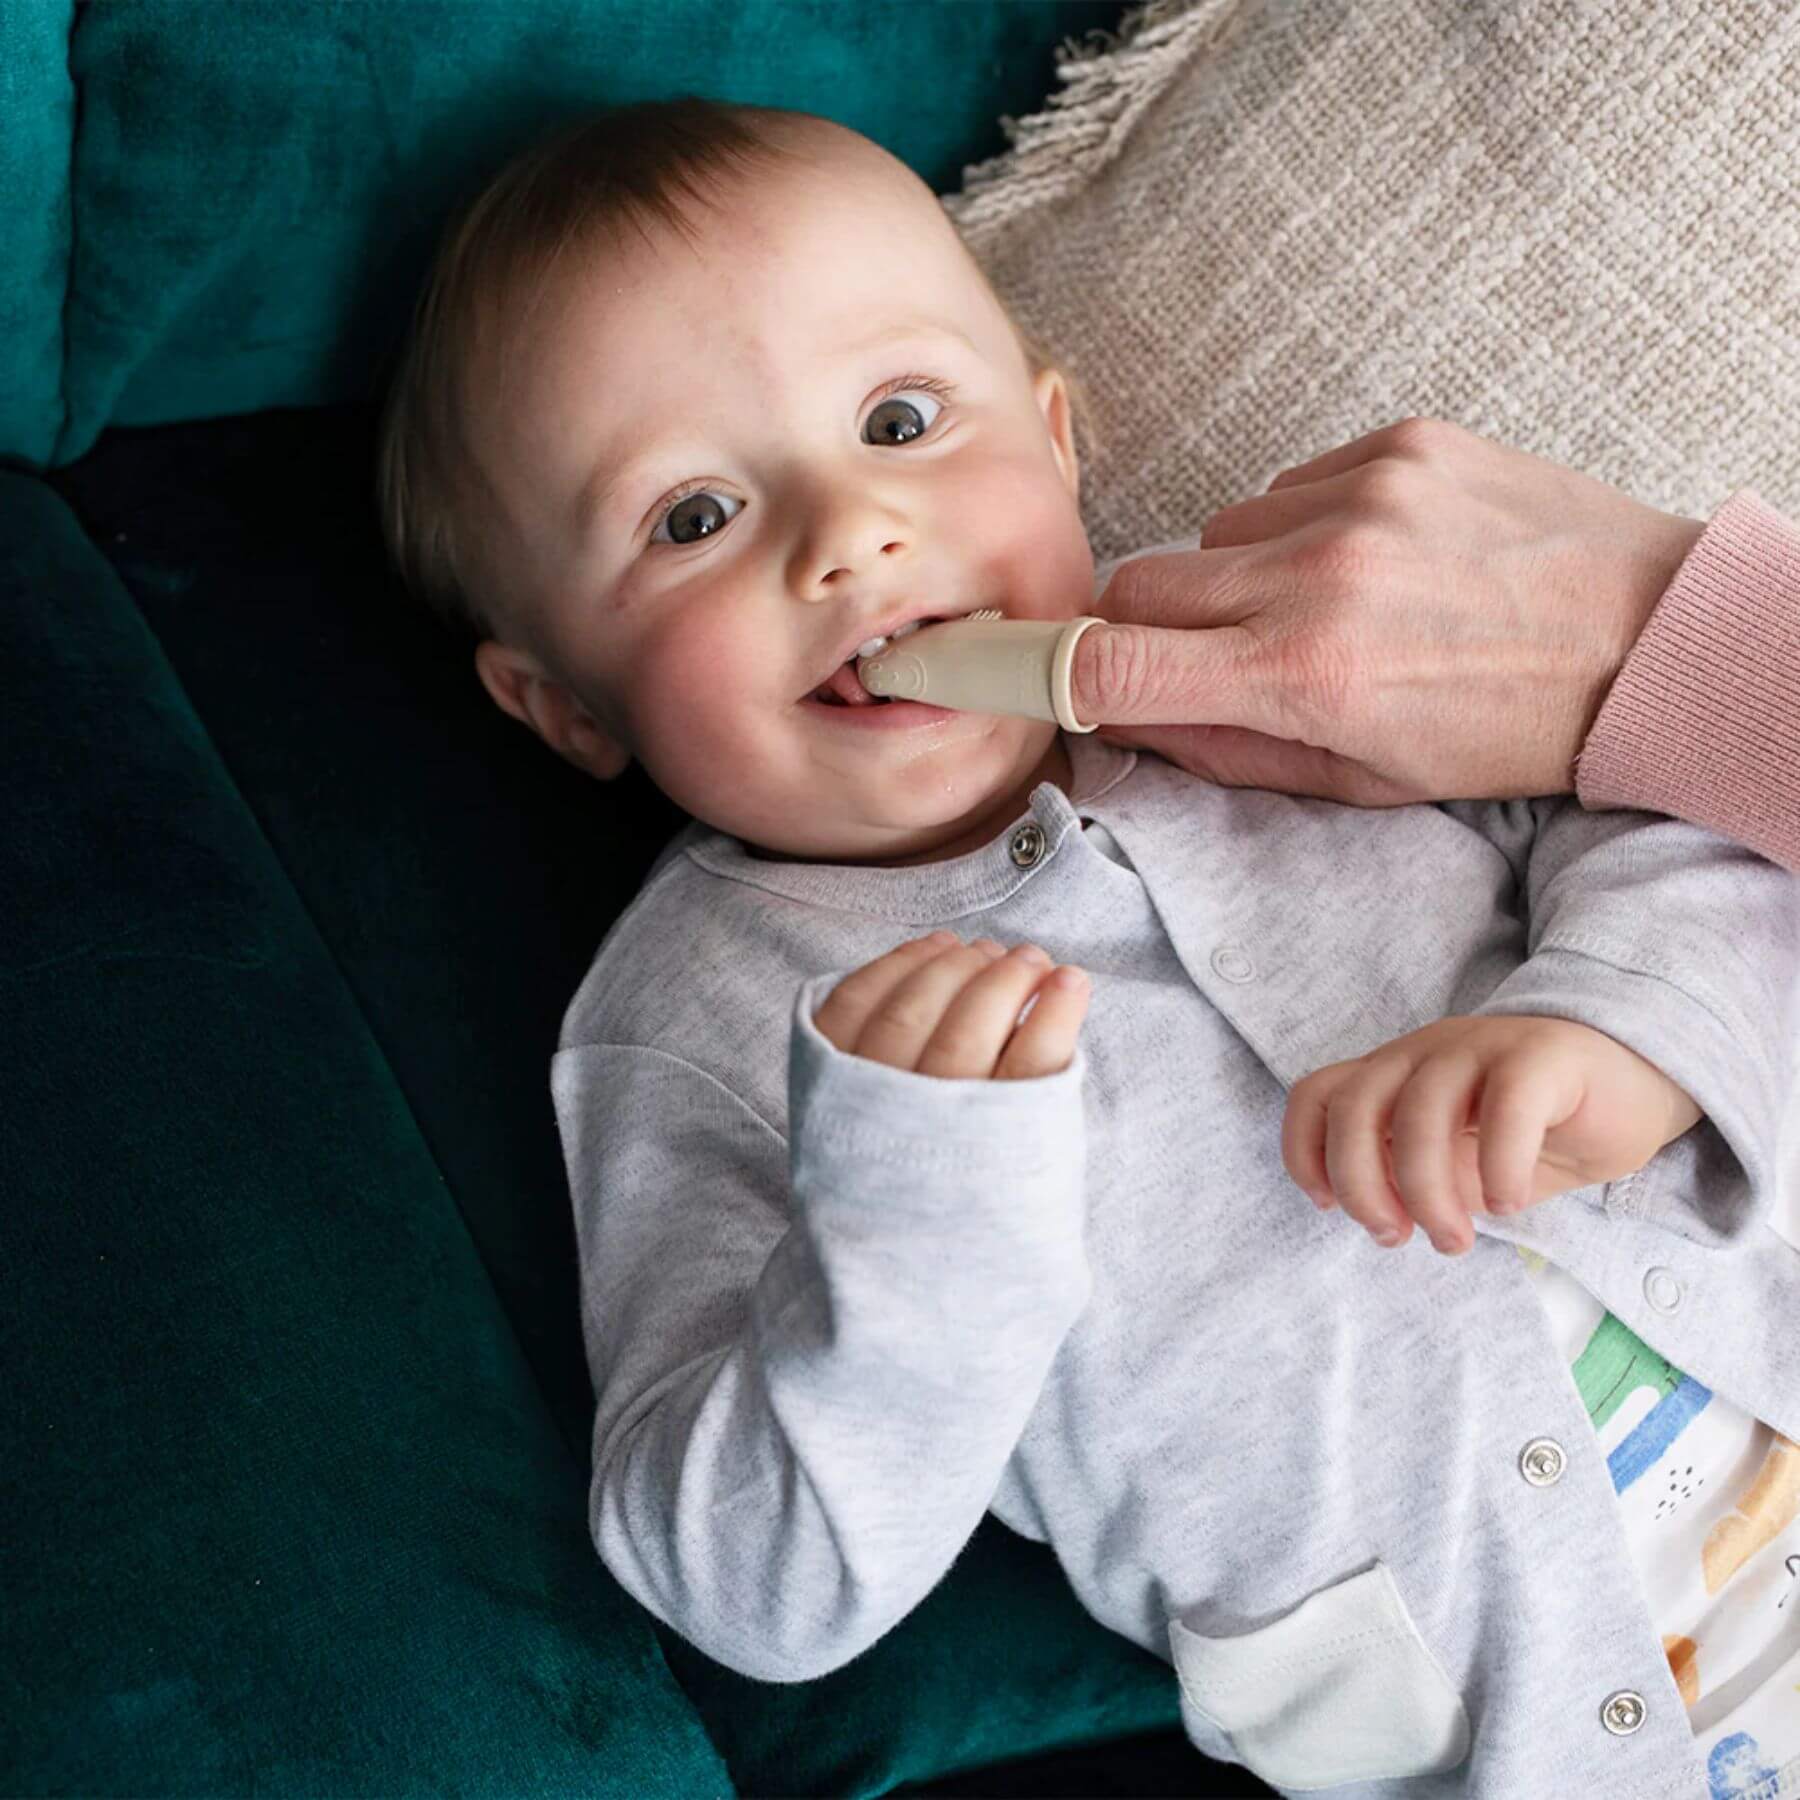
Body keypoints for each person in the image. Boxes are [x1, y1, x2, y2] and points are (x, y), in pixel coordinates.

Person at [372, 95, 1800, 1800]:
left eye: (900, 418)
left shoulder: (1266, 662)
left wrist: (1622, 1036)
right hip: (1550, 1736)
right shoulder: (696, 1016)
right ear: (561, 703)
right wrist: (911, 1228)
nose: (847, 535)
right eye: (692, 520)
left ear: (1056, 439)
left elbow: (1695, 824)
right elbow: (740, 1579)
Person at [1071, 419, 1800, 876]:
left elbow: (1708, 893)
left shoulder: (1287, 624)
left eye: (946, 410)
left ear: (1055, 436)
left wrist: (1683, 637)